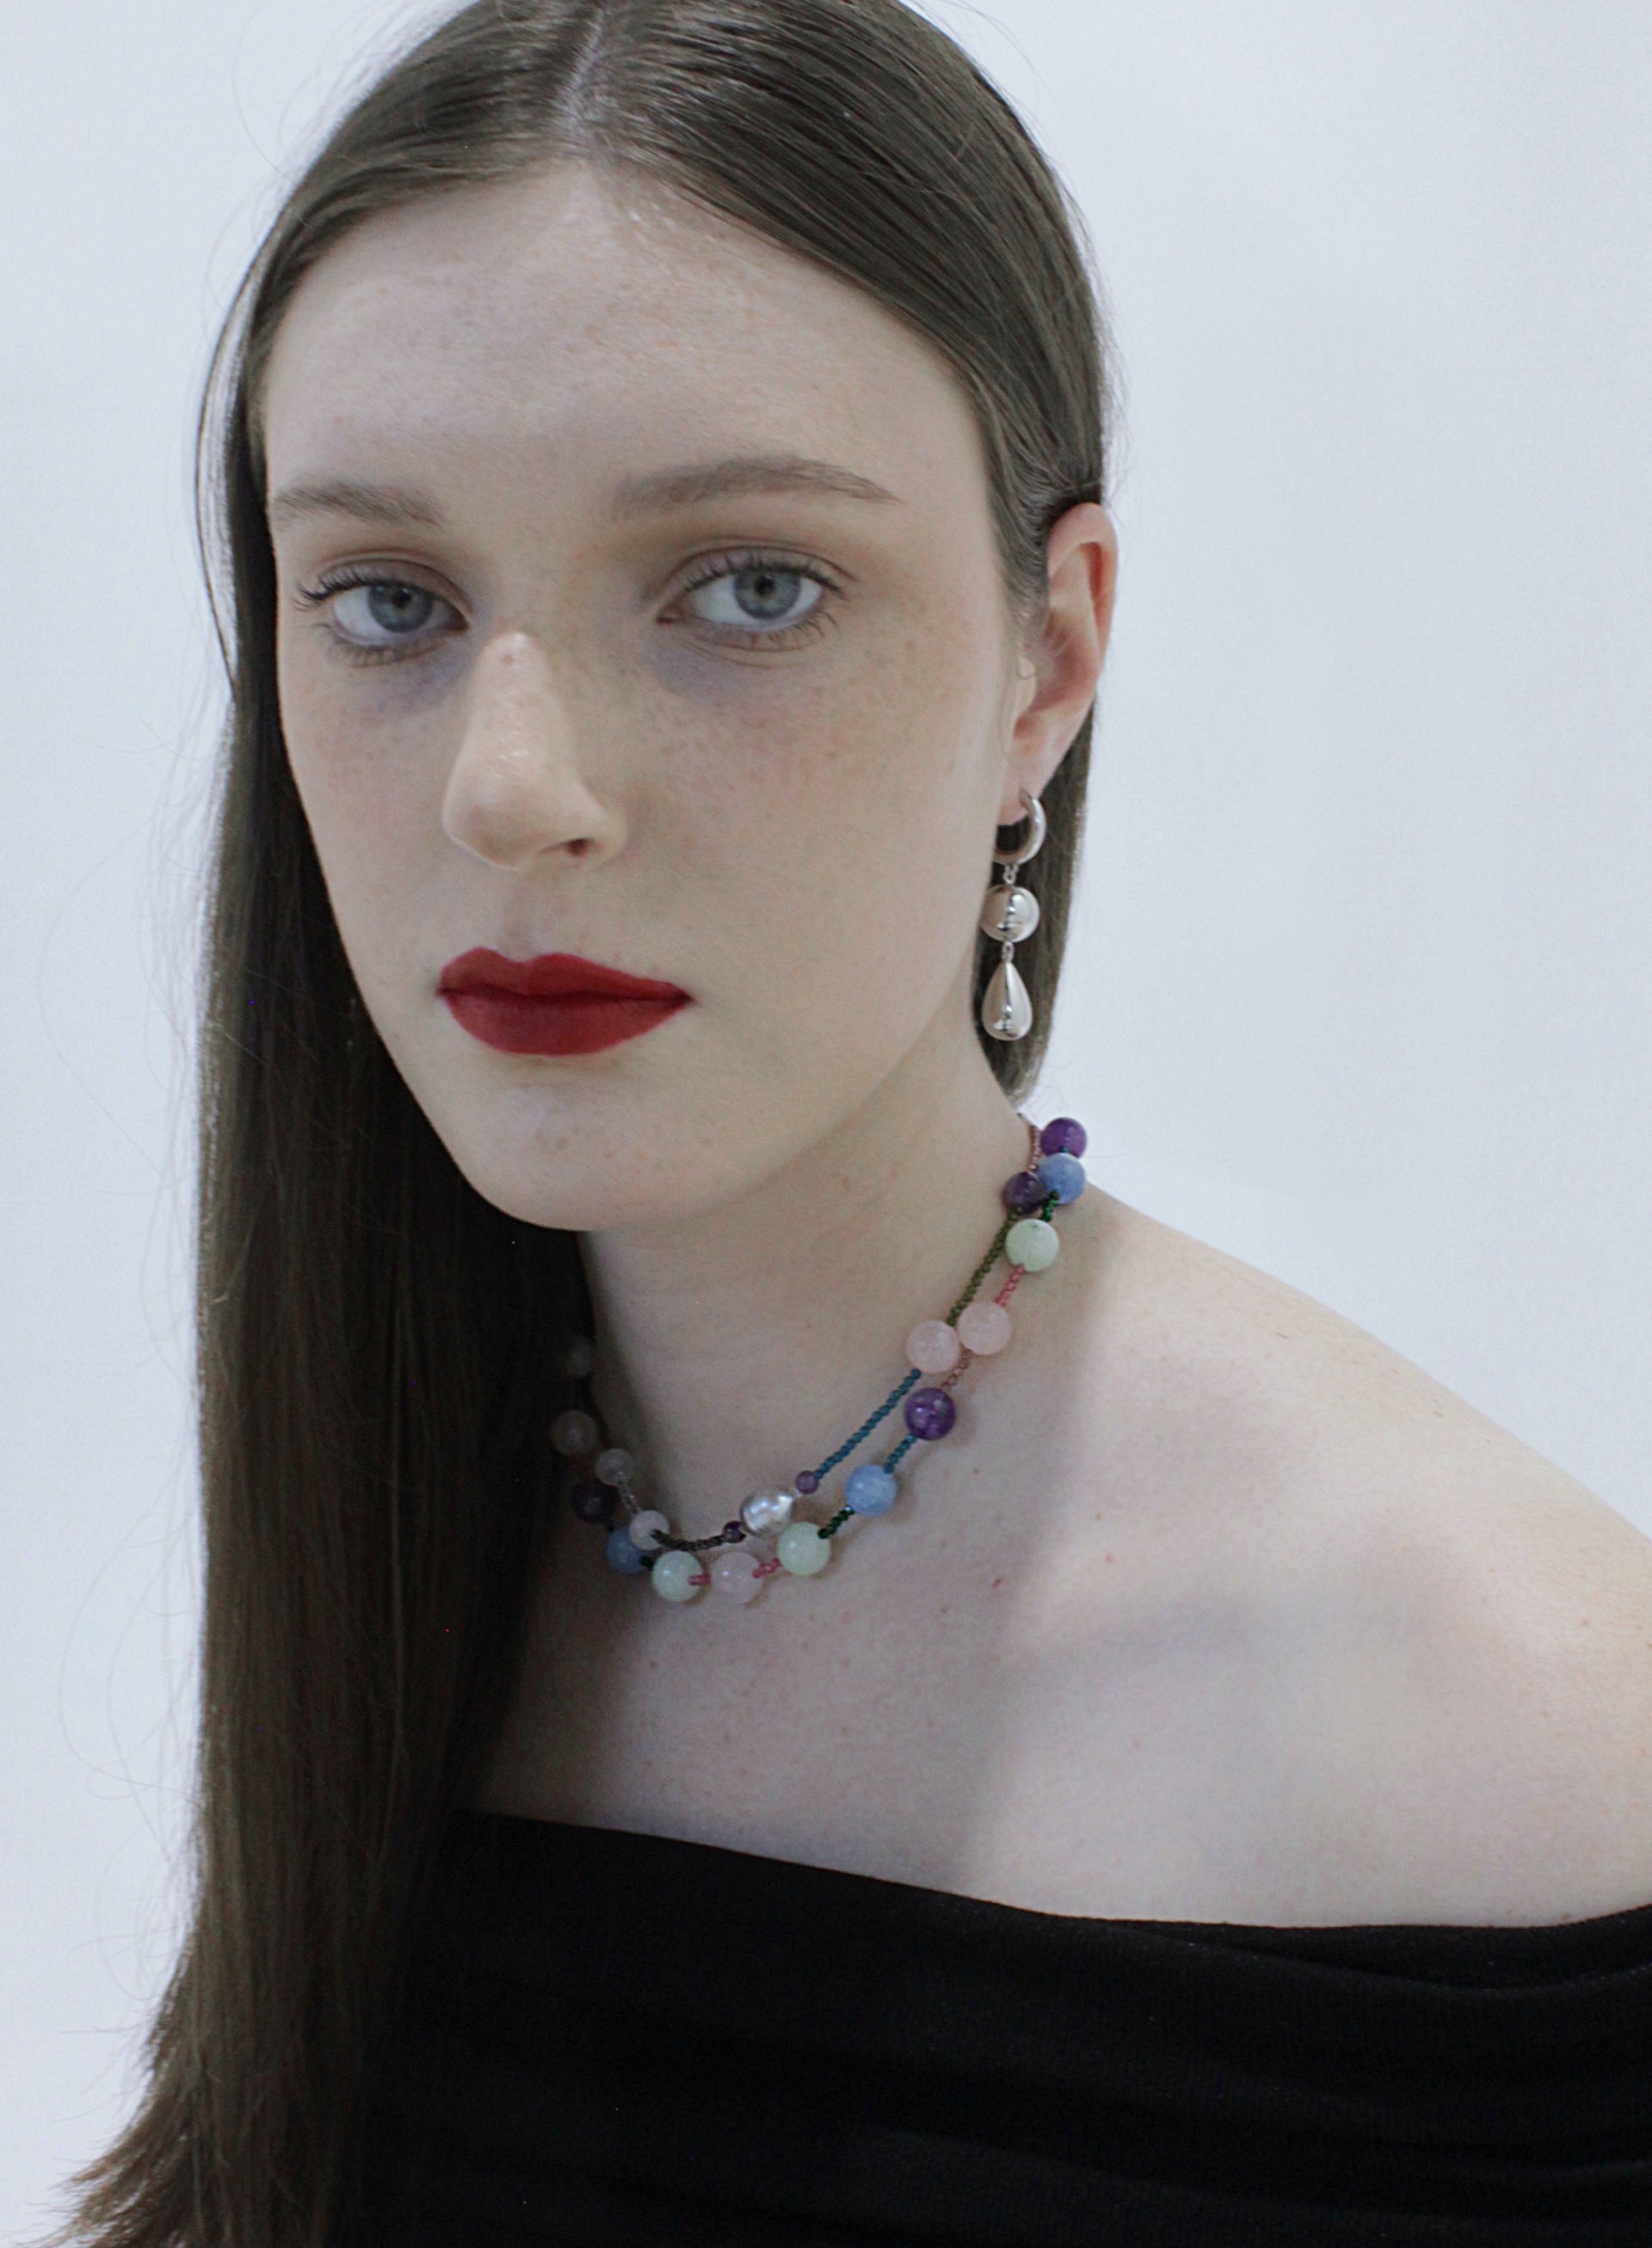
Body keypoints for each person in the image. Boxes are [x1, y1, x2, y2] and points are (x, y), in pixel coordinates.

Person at [46, 3, 1652, 2244]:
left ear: (1049, 657)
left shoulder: (1539, 1731)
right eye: (390, 600)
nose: (515, 781)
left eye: (750, 585)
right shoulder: (411, 1504)